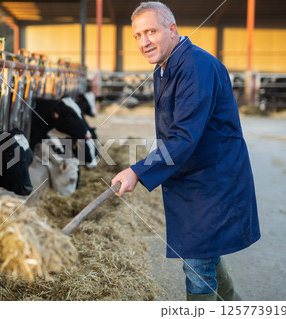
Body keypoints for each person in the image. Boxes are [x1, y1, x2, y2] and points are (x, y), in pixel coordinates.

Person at [111, 1, 260, 301]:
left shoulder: (195, 67)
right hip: (192, 178)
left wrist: (139, 171)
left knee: (196, 263)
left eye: (151, 31)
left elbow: (183, 137)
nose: (144, 42)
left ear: (172, 29)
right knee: (203, 254)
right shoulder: (163, 70)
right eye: (137, 35)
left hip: (212, 180)